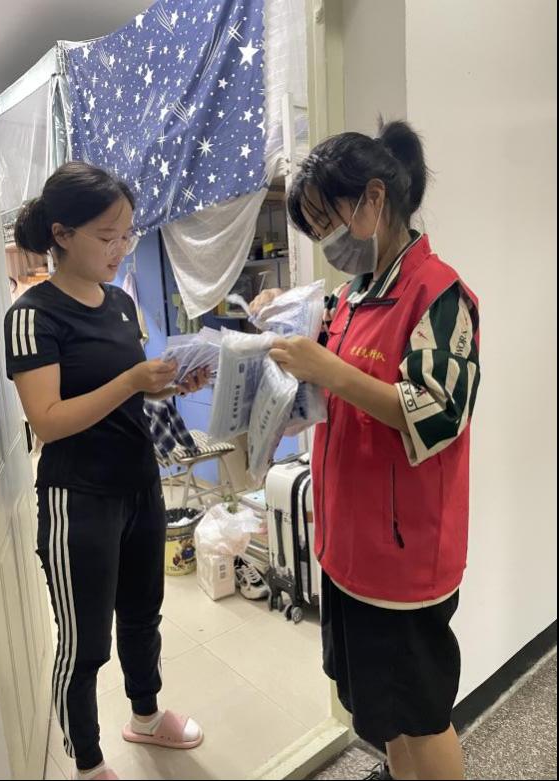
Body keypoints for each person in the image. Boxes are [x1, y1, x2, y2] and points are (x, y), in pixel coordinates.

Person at [251, 121, 480, 781]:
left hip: (404, 558)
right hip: (348, 547)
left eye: (328, 221)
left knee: (422, 715)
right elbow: (328, 398)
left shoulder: (440, 295)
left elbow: (439, 413)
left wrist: (330, 369)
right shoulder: (349, 299)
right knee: (385, 715)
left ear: (373, 200)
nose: (327, 242)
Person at [4, 162, 210, 781]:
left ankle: (145, 716)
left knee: (143, 616)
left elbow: (128, 390)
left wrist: (169, 384)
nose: (121, 249)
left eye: (127, 234)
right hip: (79, 496)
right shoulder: (33, 314)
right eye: (106, 236)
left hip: (139, 484)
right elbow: (47, 421)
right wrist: (130, 380)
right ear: (62, 234)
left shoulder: (119, 302)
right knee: (85, 642)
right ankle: (89, 764)